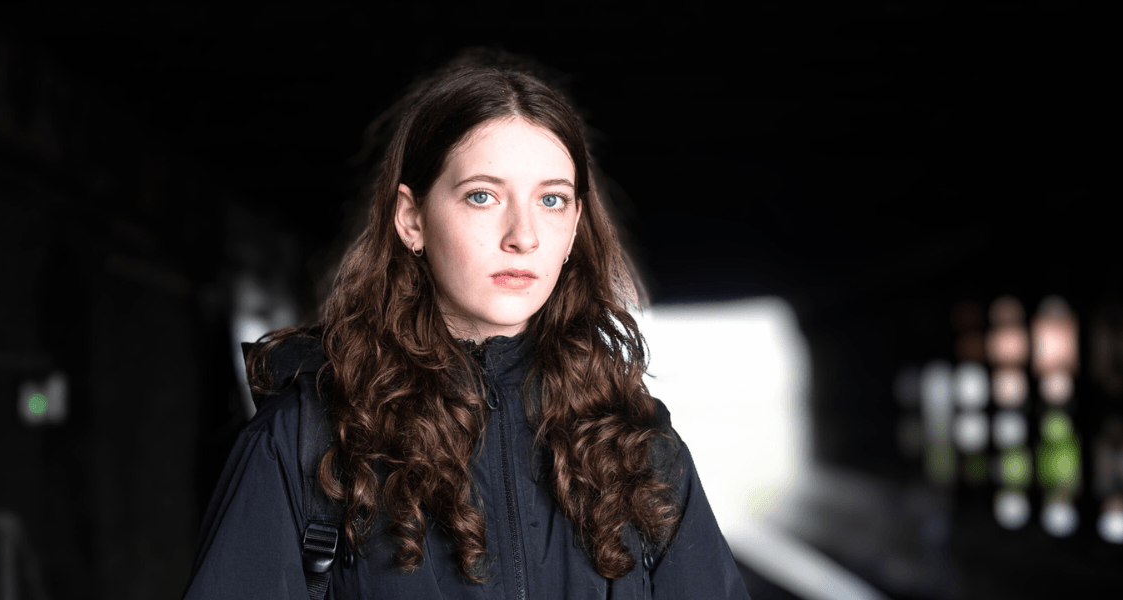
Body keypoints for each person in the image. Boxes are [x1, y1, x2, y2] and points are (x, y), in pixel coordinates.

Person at [183, 51, 750, 599]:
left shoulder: (635, 443)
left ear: (575, 225)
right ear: (412, 219)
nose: (522, 236)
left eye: (551, 201)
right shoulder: (312, 440)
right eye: (482, 196)